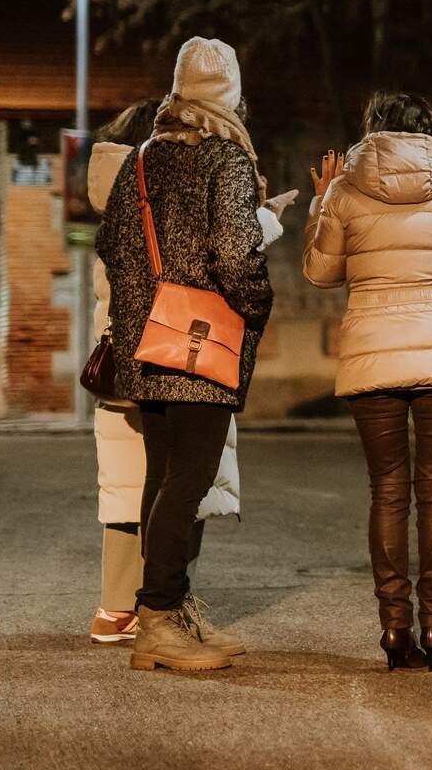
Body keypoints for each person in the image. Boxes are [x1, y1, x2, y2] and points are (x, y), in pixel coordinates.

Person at [303, 92, 432, 672]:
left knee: (388, 490)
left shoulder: (345, 189)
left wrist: (321, 205)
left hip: (372, 354)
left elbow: (322, 274)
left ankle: (395, 629)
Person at [86, 98, 296, 649]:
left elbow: (118, 254)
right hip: (188, 347)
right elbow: (225, 255)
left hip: (145, 353)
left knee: (154, 484)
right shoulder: (200, 166)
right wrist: (254, 305)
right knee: (181, 484)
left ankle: (157, 610)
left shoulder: (131, 181)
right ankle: (154, 612)